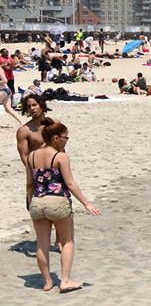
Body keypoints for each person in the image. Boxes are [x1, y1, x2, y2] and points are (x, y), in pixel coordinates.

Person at [26, 120, 101, 292]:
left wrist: (31, 203)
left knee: (42, 244)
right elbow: (70, 184)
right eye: (65, 137)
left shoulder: (31, 157)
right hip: (57, 201)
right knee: (67, 241)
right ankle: (65, 280)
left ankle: (47, 282)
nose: (67, 140)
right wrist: (87, 203)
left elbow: (30, 184)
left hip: (37, 202)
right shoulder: (60, 157)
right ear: (55, 137)